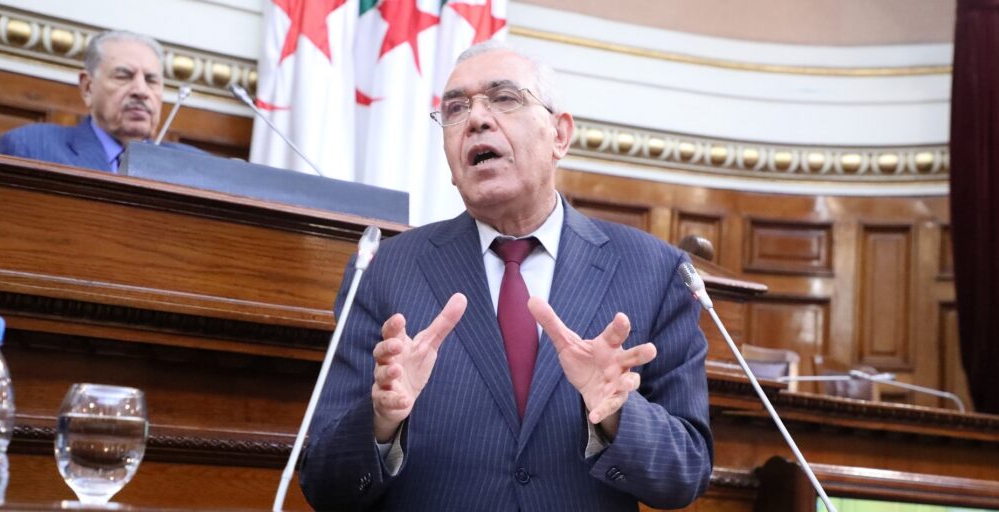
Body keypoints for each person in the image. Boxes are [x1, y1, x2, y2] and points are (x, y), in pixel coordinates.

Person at [299, 41, 713, 511]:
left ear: (560, 135)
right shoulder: (383, 271)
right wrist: (381, 421)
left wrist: (617, 413)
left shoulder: (656, 272)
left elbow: (686, 474)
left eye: (504, 98)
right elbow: (324, 484)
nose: (476, 118)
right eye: (455, 108)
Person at [0, 30, 197, 171]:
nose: (141, 91)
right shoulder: (29, 148)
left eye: (151, 80)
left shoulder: (194, 166)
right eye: (123, 76)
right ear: (87, 87)